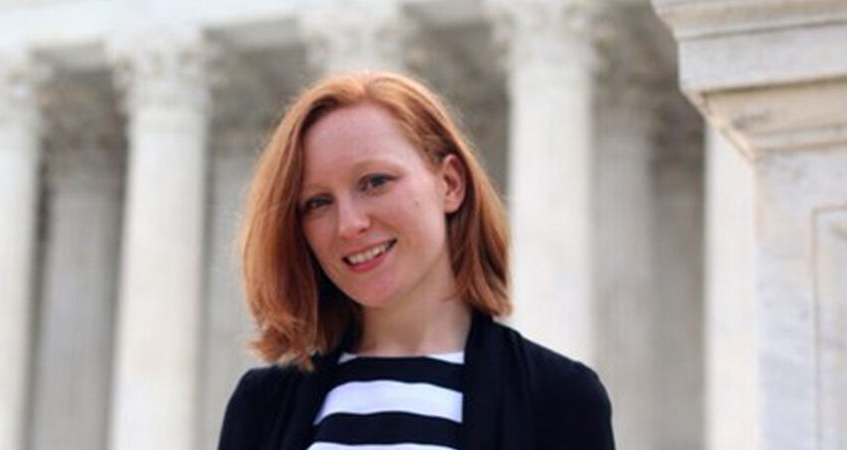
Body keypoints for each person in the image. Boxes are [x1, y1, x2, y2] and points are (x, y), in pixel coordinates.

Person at [218, 71, 614, 450]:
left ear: (450, 184)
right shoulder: (261, 406)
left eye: (375, 182)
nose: (349, 224)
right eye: (318, 202)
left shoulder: (560, 398)